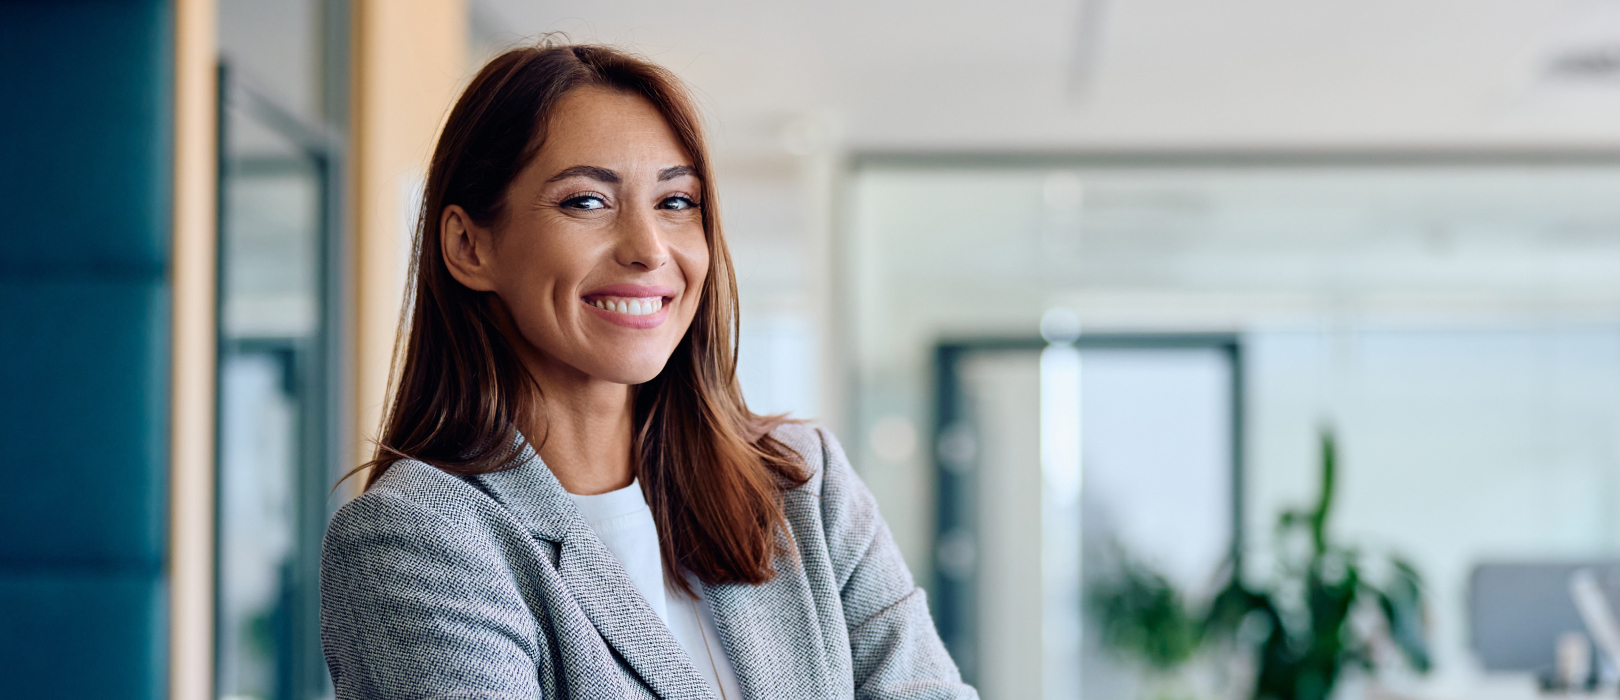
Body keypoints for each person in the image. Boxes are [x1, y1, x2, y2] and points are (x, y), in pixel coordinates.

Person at [319, 42, 978, 700]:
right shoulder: (417, 538)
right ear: (469, 245)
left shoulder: (803, 486)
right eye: (585, 202)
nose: (647, 248)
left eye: (675, 202)